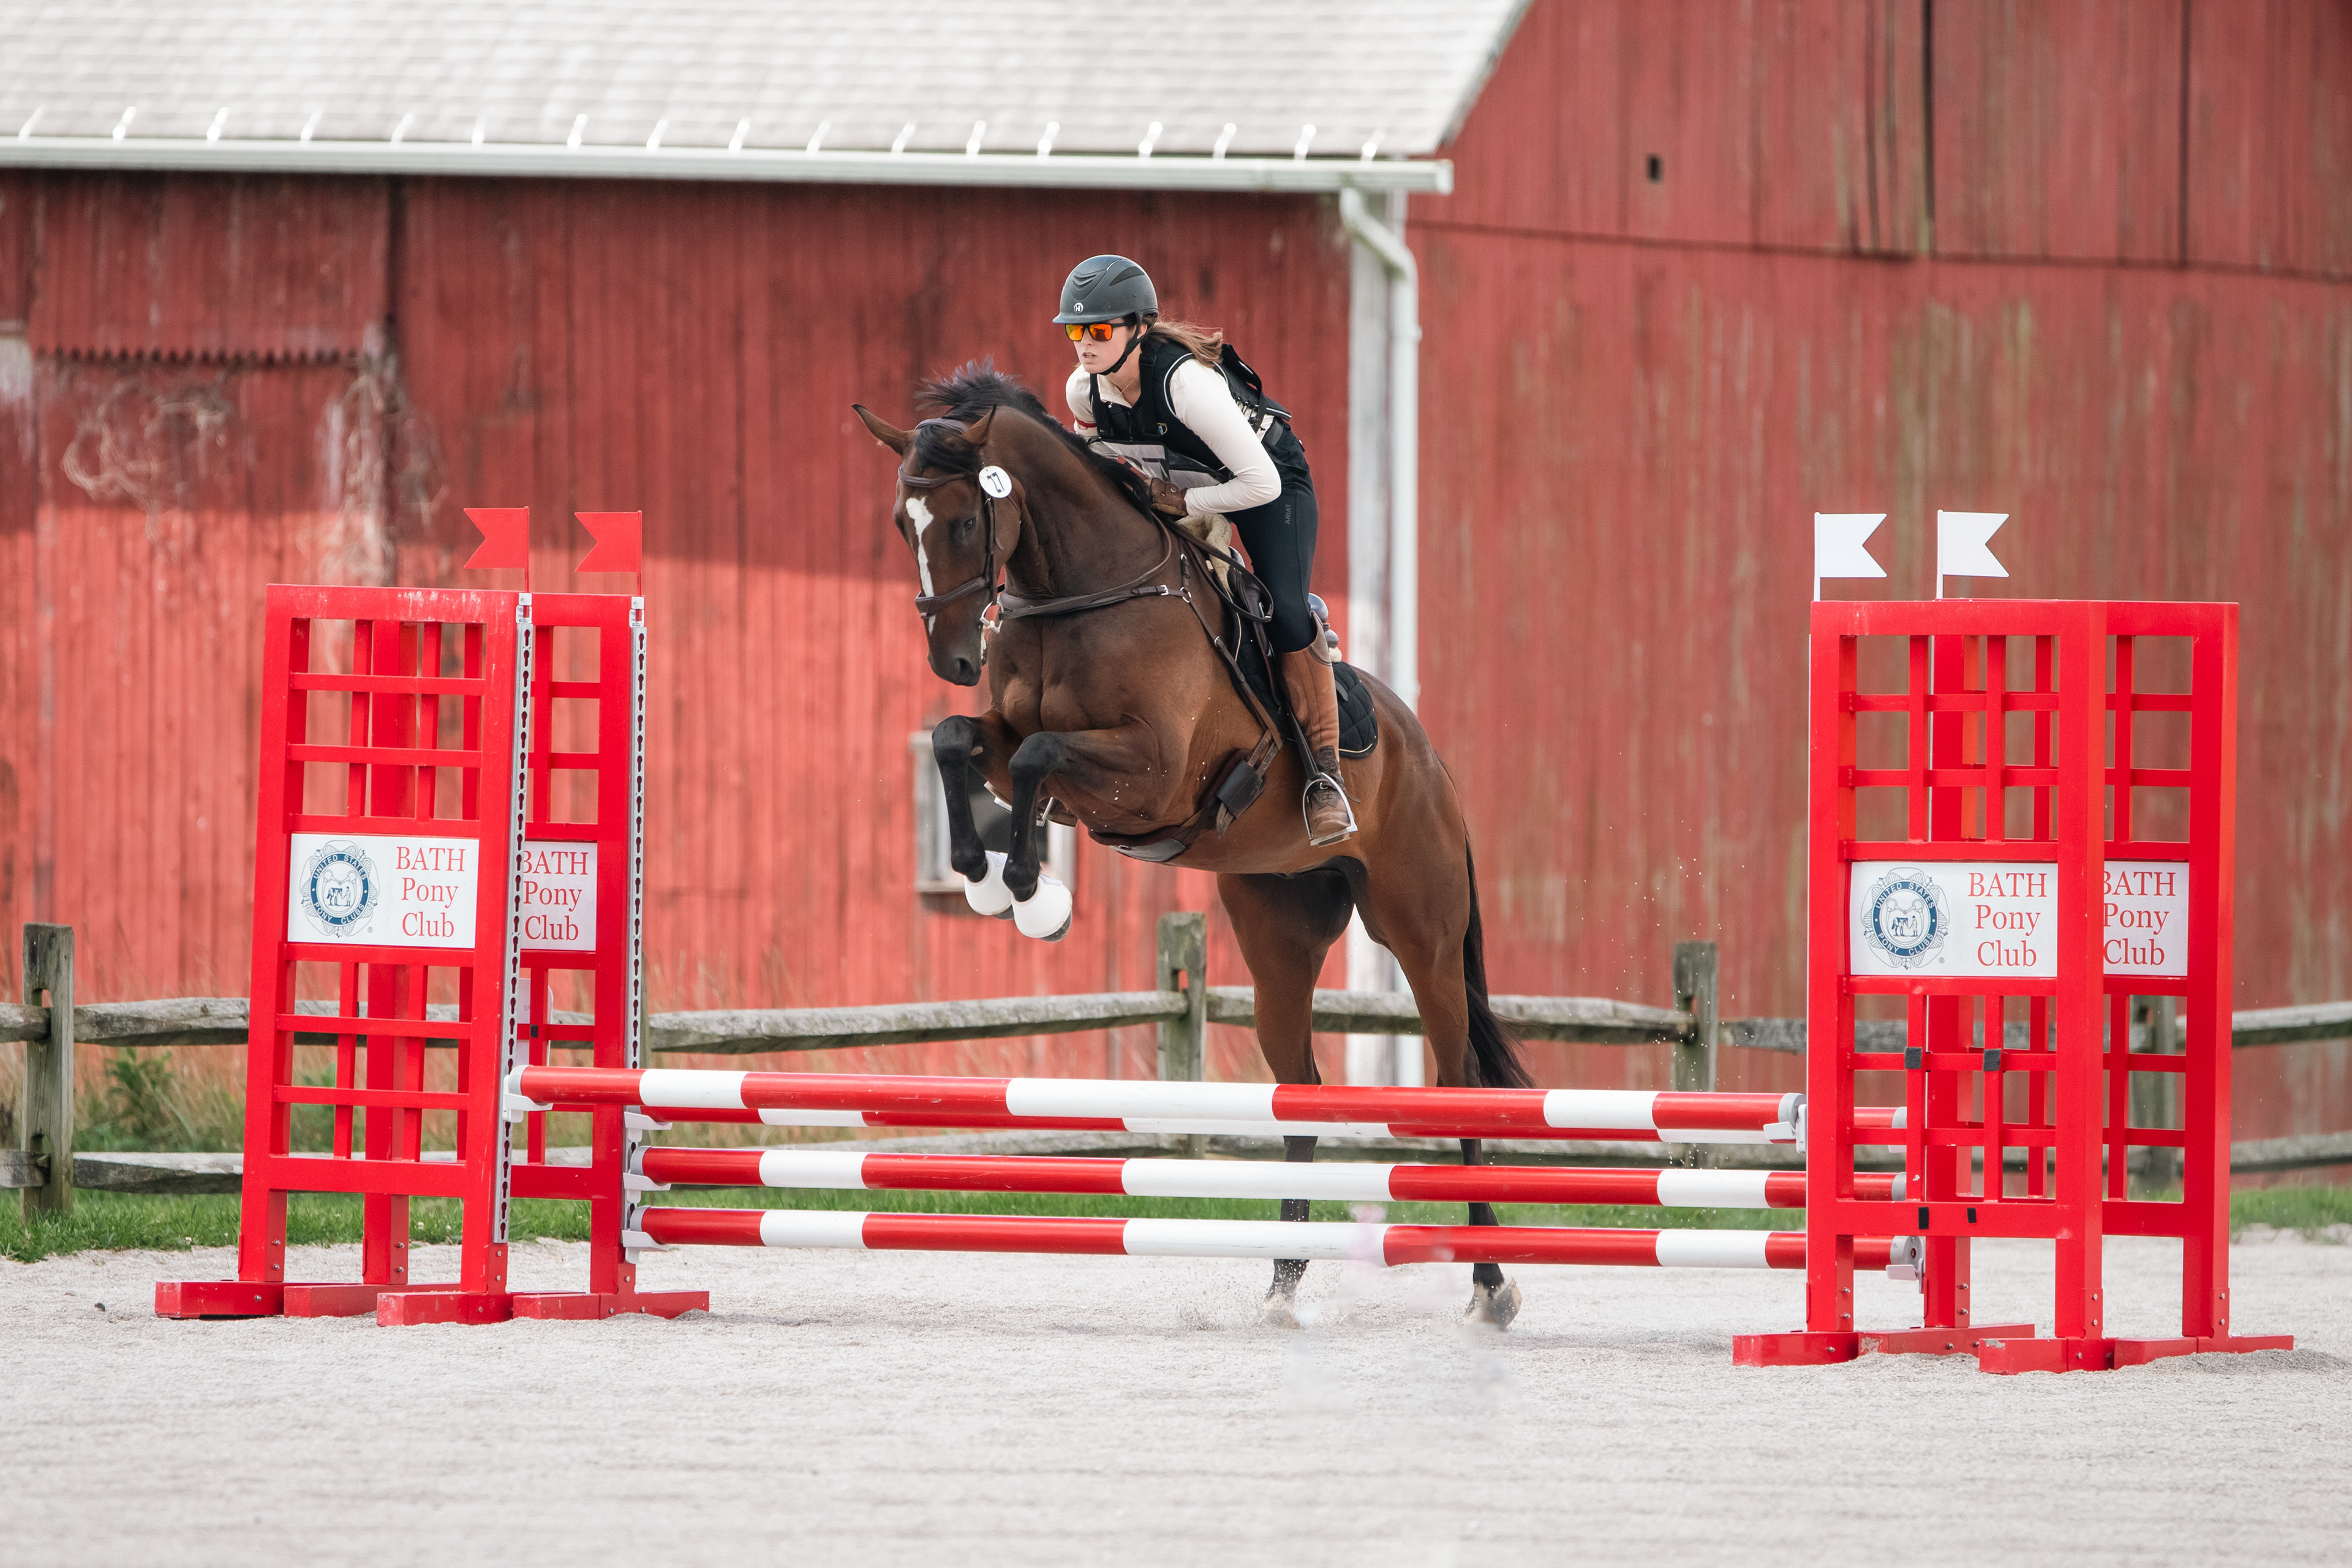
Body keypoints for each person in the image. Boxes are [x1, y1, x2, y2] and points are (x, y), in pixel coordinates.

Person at [1054, 254, 1355, 847]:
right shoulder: (1084, 391)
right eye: (1074, 331)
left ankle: (1325, 777)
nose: (1084, 345)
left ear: (1138, 329)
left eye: (1098, 330)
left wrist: (1185, 503)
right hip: (1183, 488)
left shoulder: (1184, 384)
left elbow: (1260, 483)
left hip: (1267, 483)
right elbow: (1095, 463)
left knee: (1287, 614)